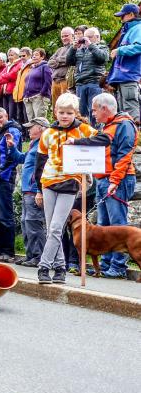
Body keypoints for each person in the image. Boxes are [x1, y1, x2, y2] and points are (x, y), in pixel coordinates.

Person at [69, 93, 138, 278]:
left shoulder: (124, 125)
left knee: (117, 224)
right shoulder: (108, 125)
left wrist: (114, 181)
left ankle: (117, 267)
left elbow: (125, 155)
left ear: (104, 109)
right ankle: (105, 265)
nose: (93, 114)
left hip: (117, 180)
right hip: (103, 179)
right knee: (103, 225)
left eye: (94, 110)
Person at [33, 93, 98, 284]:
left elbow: (103, 139)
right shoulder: (48, 133)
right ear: (55, 112)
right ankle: (60, 267)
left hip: (70, 183)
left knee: (56, 227)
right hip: (48, 182)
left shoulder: (83, 129)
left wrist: (78, 143)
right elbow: (40, 162)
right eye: (61, 112)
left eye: (69, 113)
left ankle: (44, 267)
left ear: (75, 113)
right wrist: (38, 188)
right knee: (52, 230)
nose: (65, 116)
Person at [6, 117, 48, 267]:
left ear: (42, 128)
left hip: (33, 190)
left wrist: (38, 190)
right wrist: (12, 147)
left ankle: (39, 256)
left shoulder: (44, 146)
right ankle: (30, 255)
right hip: (27, 190)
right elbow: (22, 158)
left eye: (32, 127)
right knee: (25, 223)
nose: (28, 129)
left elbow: (43, 170)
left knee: (34, 222)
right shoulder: (34, 145)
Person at [0, 107, 22, 262]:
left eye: (0, 117)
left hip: (4, 178)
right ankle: (0, 249)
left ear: (6, 116)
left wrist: (0, 173)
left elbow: (10, 155)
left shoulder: (12, 130)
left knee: (5, 215)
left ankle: (8, 251)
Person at [106, 3, 141, 124]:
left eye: (123, 16)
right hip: (122, 78)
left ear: (131, 14)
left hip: (129, 76)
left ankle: (136, 140)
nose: (121, 19)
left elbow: (139, 47)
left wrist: (119, 50)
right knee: (122, 113)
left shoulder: (138, 28)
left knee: (131, 112)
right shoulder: (128, 30)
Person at [67, 27, 109, 124]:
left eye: (90, 37)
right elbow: (69, 62)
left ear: (97, 37)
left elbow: (103, 58)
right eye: (85, 37)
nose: (87, 39)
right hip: (80, 84)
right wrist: (72, 49)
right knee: (81, 112)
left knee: (95, 111)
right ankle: (84, 135)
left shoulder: (102, 47)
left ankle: (96, 133)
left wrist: (90, 45)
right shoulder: (80, 49)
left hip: (94, 83)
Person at [22, 48, 52, 121]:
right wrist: (24, 95)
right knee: (31, 122)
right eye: (33, 55)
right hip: (28, 98)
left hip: (39, 97)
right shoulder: (32, 68)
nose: (34, 57)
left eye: (36, 55)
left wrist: (42, 93)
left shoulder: (45, 66)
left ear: (42, 57)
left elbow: (48, 81)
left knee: (39, 121)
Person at [48, 26, 75, 106]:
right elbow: (49, 62)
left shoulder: (74, 48)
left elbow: (68, 60)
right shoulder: (59, 49)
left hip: (65, 81)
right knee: (56, 106)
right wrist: (61, 61)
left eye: (66, 36)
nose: (64, 38)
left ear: (73, 36)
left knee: (65, 105)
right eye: (62, 36)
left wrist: (57, 60)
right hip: (55, 81)